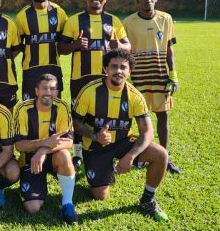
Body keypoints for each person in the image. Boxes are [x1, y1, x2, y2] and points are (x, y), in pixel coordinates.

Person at [72, 49, 169, 221]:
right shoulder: (89, 91)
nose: (118, 71)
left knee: (161, 154)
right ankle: (98, 169)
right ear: (105, 69)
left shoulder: (135, 96)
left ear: (129, 71)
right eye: (114, 66)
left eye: (123, 67)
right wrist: (95, 136)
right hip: (95, 146)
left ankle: (147, 200)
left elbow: (147, 132)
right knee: (100, 195)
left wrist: (130, 156)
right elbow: (75, 122)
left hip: (123, 141)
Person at [58, 0, 131, 170]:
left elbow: (127, 46)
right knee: (78, 117)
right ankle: (78, 153)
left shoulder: (114, 21)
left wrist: (119, 46)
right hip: (80, 78)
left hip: (106, 79)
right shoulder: (74, 21)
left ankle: (105, 148)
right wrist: (75, 44)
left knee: (104, 114)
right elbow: (61, 48)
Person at [123, 0, 181, 174]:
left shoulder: (166, 19)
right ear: (137, 0)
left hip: (160, 76)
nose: (147, 1)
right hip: (138, 78)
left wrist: (173, 75)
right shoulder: (128, 23)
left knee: (162, 116)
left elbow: (170, 49)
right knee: (139, 119)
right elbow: (125, 53)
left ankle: (165, 156)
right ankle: (143, 155)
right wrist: (128, 77)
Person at [14, 73, 78, 225]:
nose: (48, 92)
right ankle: (37, 185)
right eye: (44, 88)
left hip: (53, 155)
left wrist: (43, 150)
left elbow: (68, 142)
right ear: (36, 91)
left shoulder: (62, 107)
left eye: (53, 89)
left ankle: (67, 204)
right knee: (32, 208)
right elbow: (19, 145)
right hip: (30, 160)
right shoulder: (23, 109)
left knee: (63, 154)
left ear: (57, 92)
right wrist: (45, 142)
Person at [15, 0, 68, 101]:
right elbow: (16, 44)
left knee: (54, 105)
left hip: (53, 66)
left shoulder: (59, 12)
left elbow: (64, 41)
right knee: (29, 106)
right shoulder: (22, 16)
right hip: (31, 69)